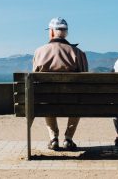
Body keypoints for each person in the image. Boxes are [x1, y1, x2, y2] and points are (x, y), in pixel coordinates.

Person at [33, 17, 88, 151]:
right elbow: (85, 77)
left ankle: (53, 138)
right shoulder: (78, 53)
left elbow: (34, 80)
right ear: (66, 32)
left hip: (48, 100)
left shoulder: (39, 52)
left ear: (51, 32)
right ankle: (68, 139)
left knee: (46, 99)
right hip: (72, 100)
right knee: (78, 101)